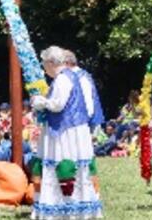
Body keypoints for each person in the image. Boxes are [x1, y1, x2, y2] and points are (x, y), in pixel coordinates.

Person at [30, 46, 102, 219]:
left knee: (63, 162)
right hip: (71, 128)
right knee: (71, 164)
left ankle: (66, 204)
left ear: (51, 62)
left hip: (66, 130)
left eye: (44, 64)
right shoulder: (70, 76)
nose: (44, 68)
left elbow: (58, 104)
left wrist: (40, 102)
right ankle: (71, 204)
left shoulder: (63, 79)